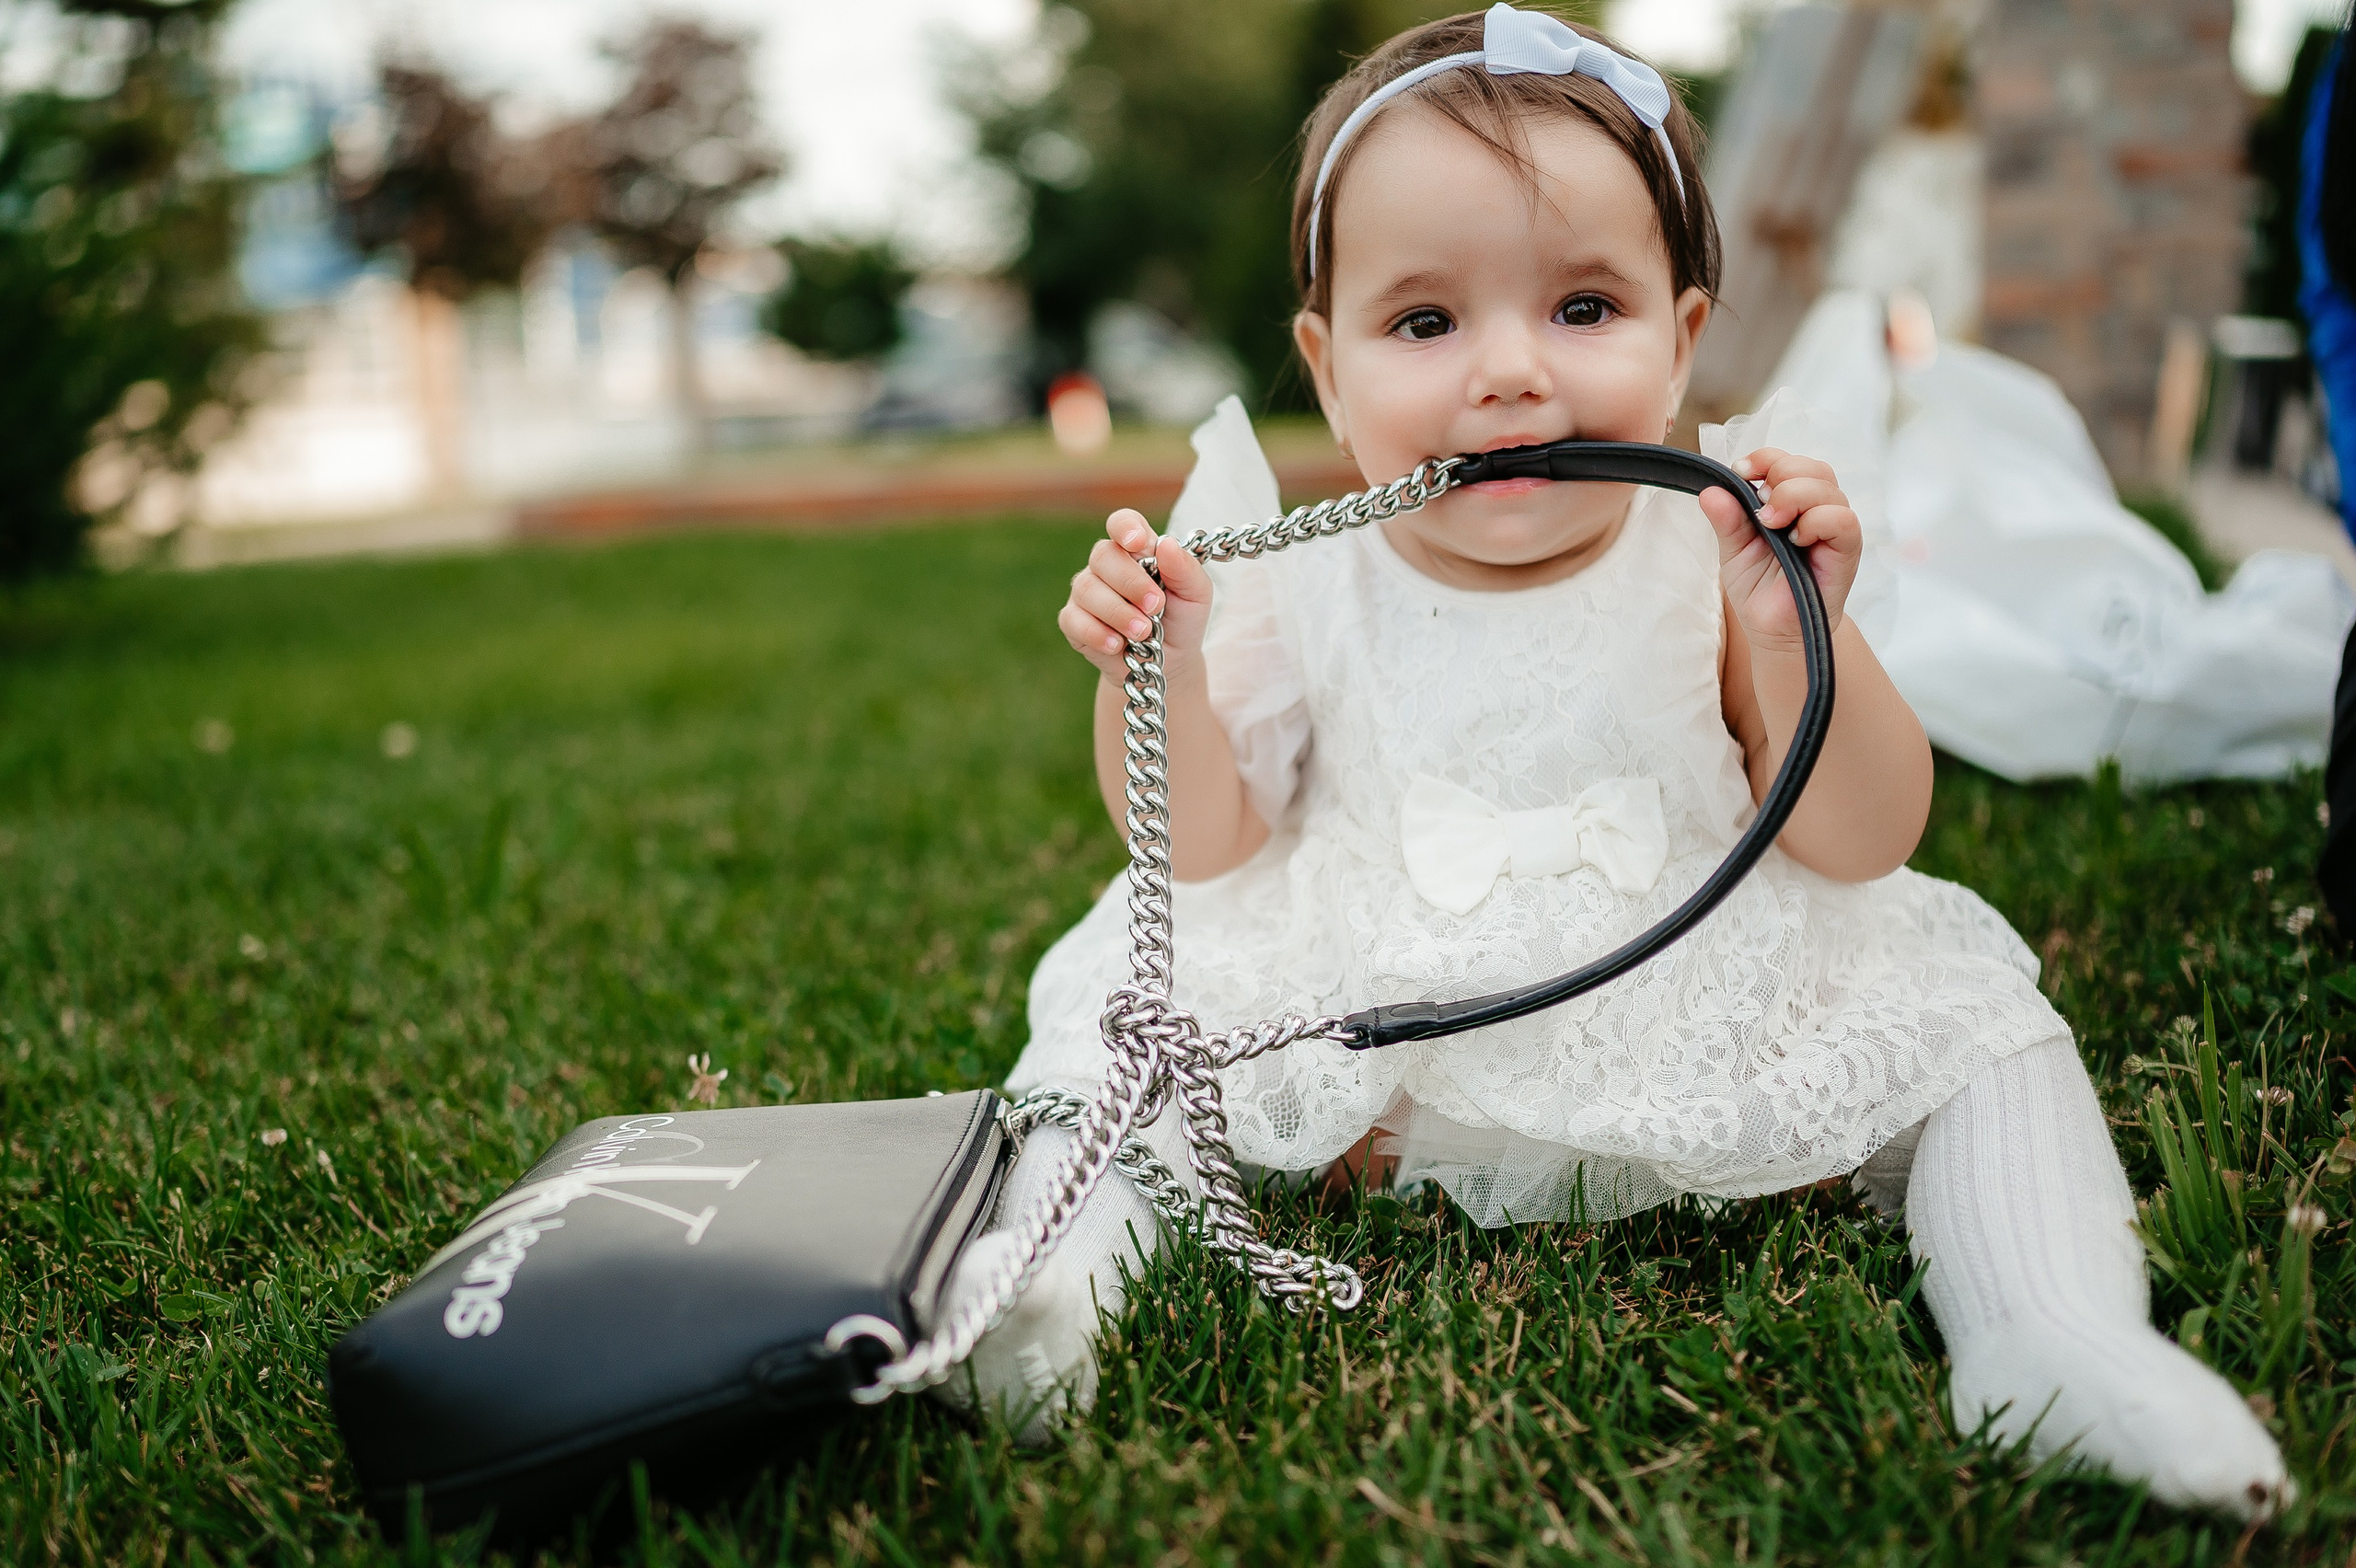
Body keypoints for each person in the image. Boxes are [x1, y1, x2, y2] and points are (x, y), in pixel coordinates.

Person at [940, 5, 2292, 1519]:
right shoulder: (1295, 573)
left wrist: (1795, 635)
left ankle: (2051, 1328)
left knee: (1989, 1040)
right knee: (1115, 1070)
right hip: (1378, 995)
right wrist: (1159, 671)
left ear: (1684, 337)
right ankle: (1055, 1286)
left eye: (1585, 309)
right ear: (1328, 370)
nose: (1510, 374)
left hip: (1693, 965)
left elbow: (1861, 839)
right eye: (1426, 323)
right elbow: (1203, 852)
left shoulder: (1715, 551)